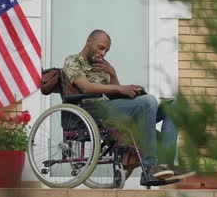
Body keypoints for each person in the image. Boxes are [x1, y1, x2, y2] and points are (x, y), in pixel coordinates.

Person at [63, 29, 196, 186]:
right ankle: (149, 167)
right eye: (101, 47)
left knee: (173, 105)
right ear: (89, 41)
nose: (103, 53)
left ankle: (165, 165)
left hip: (111, 107)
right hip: (93, 109)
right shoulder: (73, 61)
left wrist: (113, 75)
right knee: (148, 101)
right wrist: (120, 88)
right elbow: (86, 87)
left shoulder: (102, 66)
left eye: (106, 50)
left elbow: (115, 96)